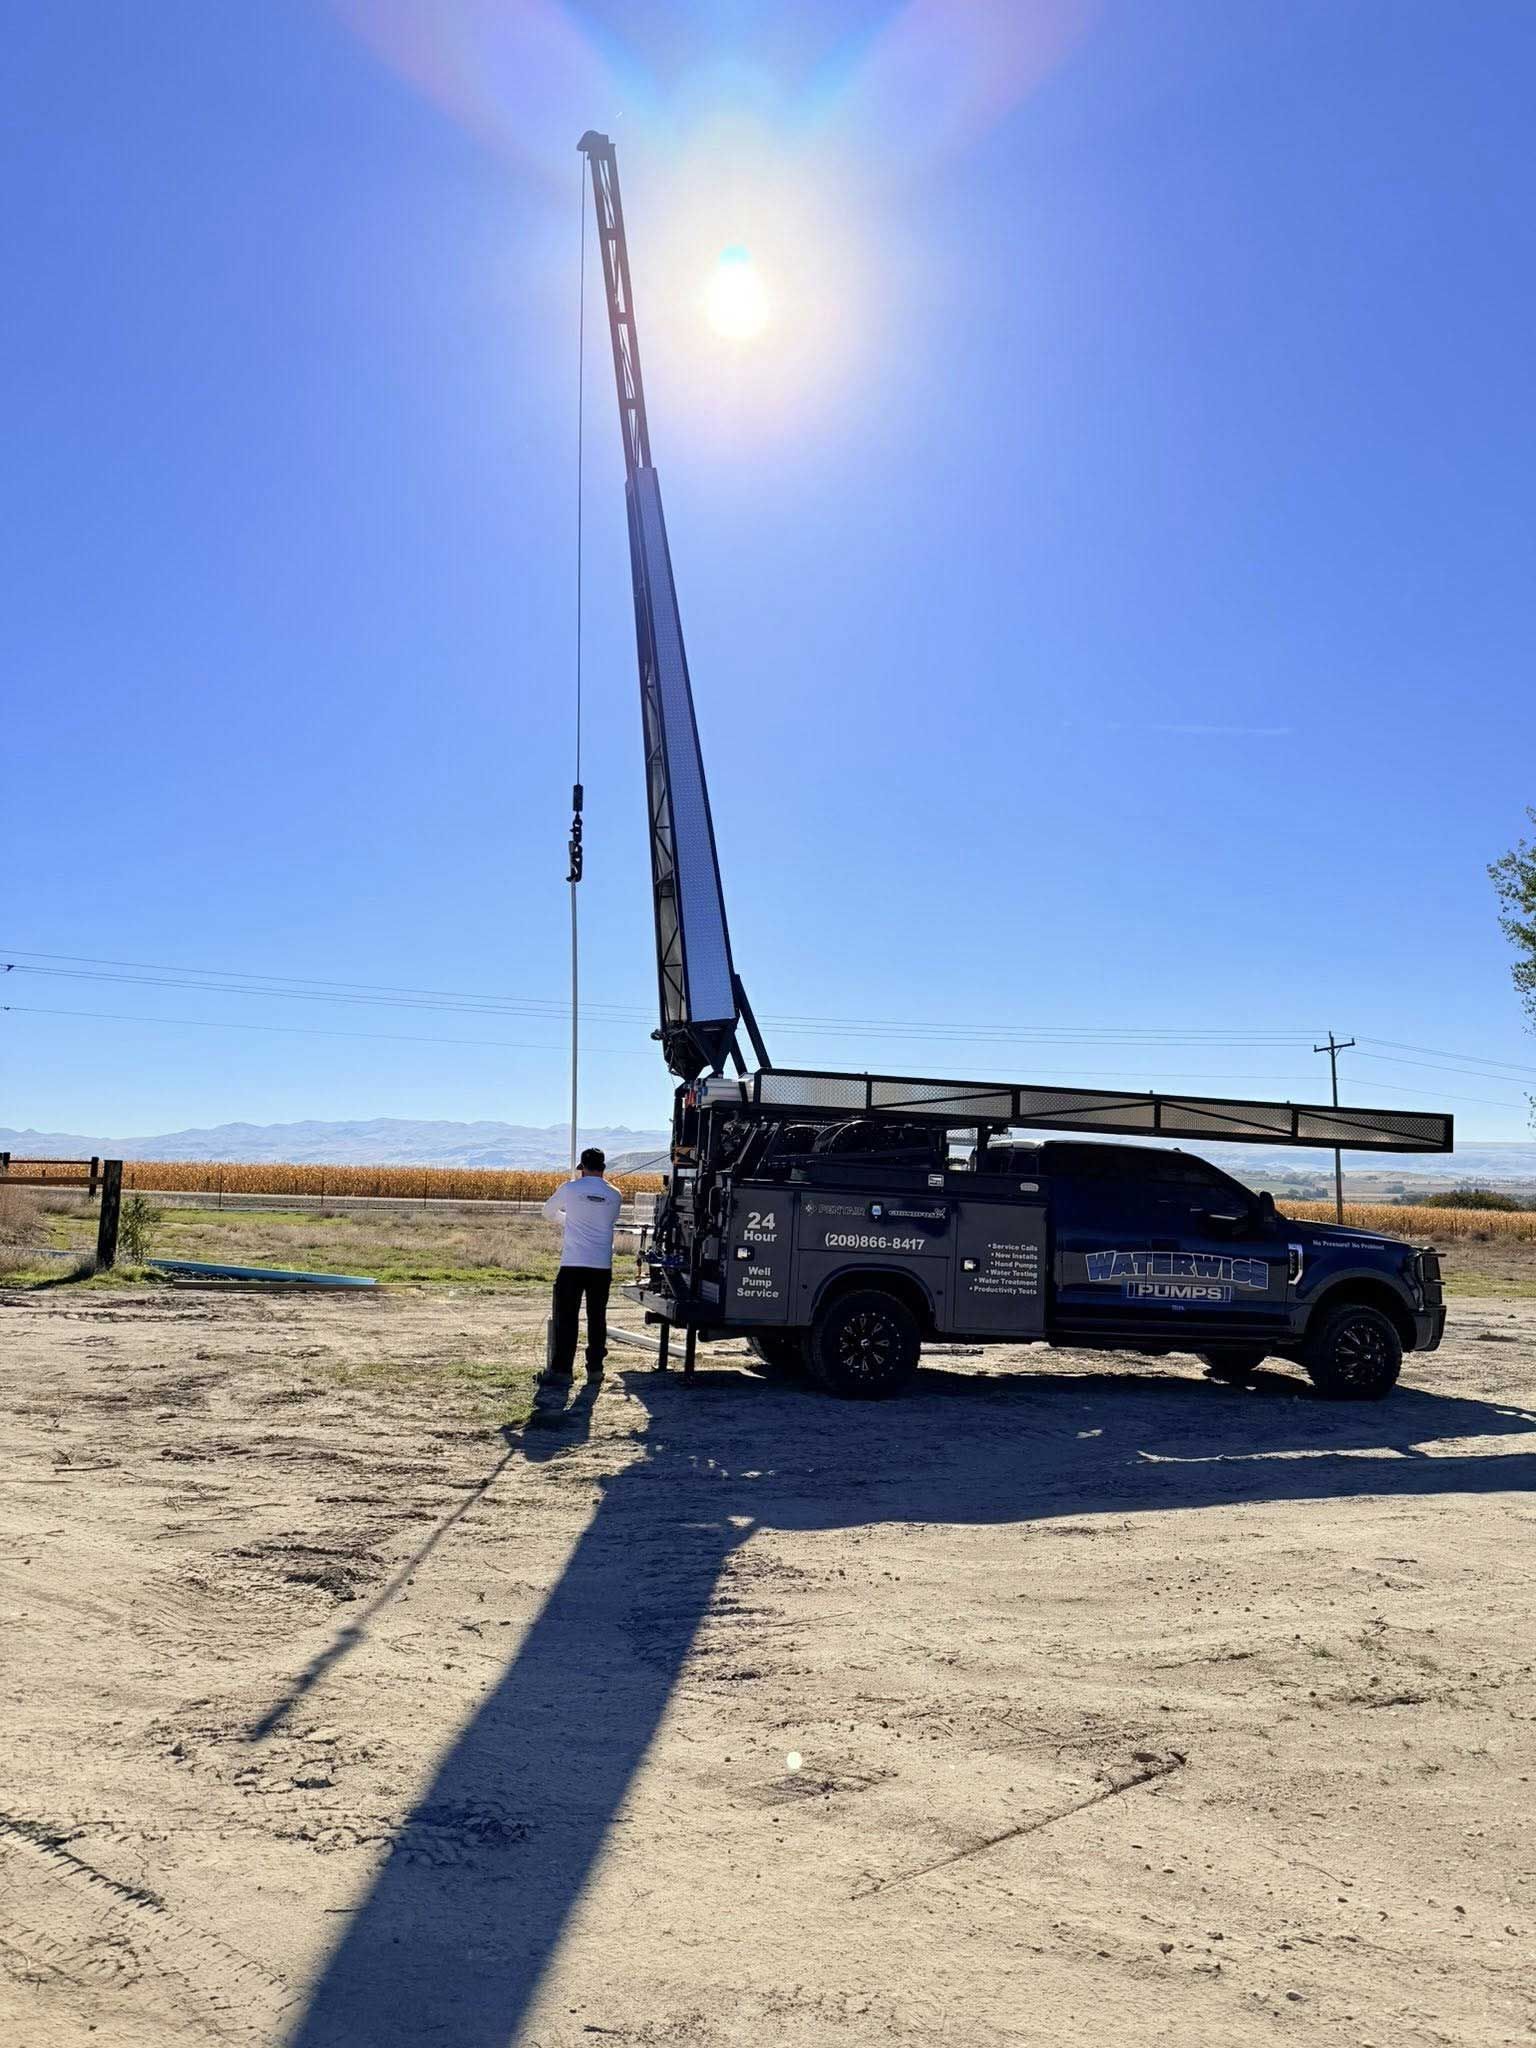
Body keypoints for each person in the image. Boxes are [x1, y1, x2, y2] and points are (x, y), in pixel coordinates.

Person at [541, 1147, 622, 1380]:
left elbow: (547, 1212)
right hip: (601, 1265)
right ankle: (595, 1368)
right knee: (597, 1317)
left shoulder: (570, 1189)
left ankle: (563, 1369)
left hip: (573, 1263)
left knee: (567, 1318)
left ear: (582, 1168)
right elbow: (610, 1219)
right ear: (603, 1168)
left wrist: (568, 1219)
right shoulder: (614, 1194)